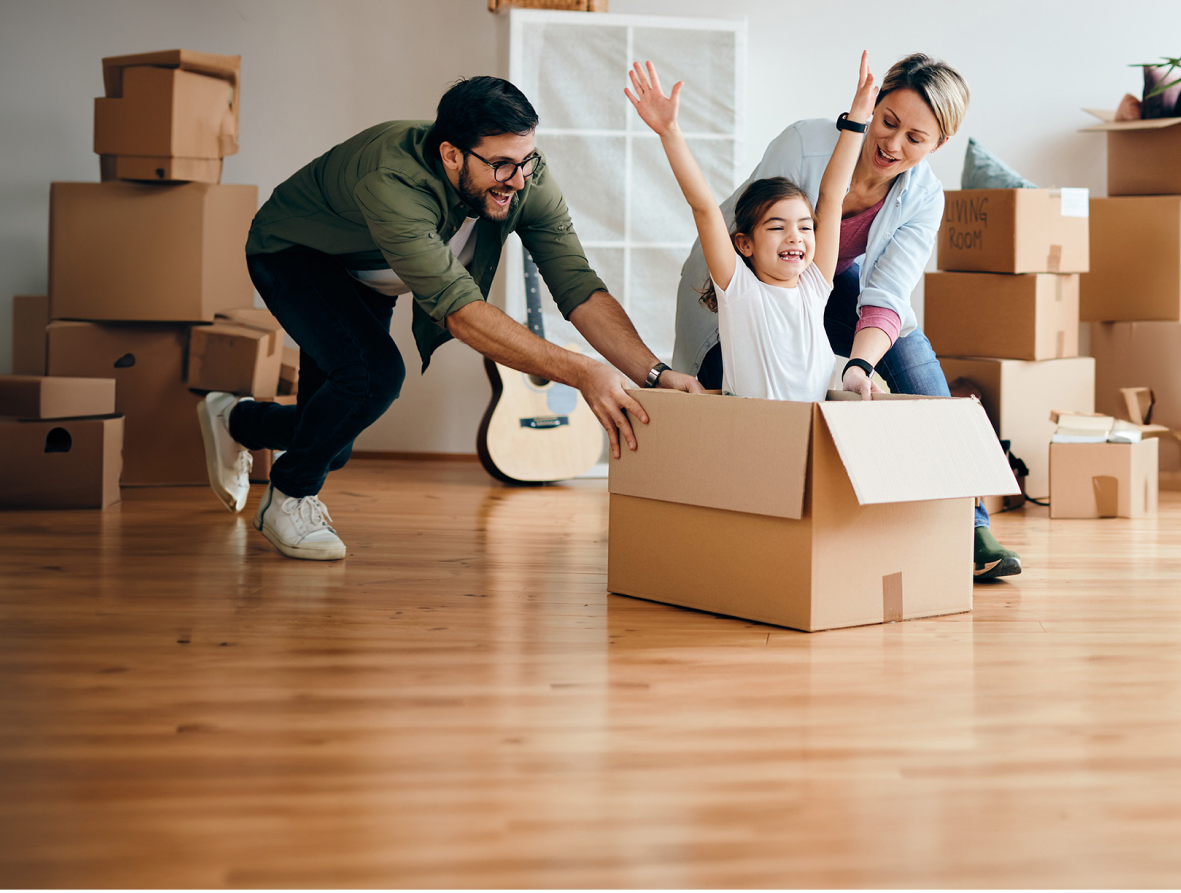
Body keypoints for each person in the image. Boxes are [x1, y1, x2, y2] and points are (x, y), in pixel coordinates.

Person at [197, 76, 702, 561]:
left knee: (332, 440)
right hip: (297, 254)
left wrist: (655, 374)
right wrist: (581, 371)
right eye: (503, 165)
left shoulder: (523, 178)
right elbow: (460, 312)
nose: (519, 179)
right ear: (451, 154)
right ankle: (289, 497)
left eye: (526, 160)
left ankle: (233, 417)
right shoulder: (392, 181)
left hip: (369, 272)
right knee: (373, 376)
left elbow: (578, 285)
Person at [672, 53, 1022, 580]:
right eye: (888, 122)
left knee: (909, 351)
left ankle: (966, 524)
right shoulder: (804, 145)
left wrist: (857, 366)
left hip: (822, 285)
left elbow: (886, 291)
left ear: (939, 144)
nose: (893, 145)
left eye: (915, 138)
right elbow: (746, 227)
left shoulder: (923, 196)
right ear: (874, 105)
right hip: (741, 282)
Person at [627, 54, 875, 401]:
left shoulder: (815, 287)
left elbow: (832, 197)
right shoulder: (740, 289)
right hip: (754, 436)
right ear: (745, 244)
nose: (795, 237)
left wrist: (858, 120)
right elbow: (704, 208)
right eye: (777, 228)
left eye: (805, 228)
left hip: (809, 434)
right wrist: (670, 132)